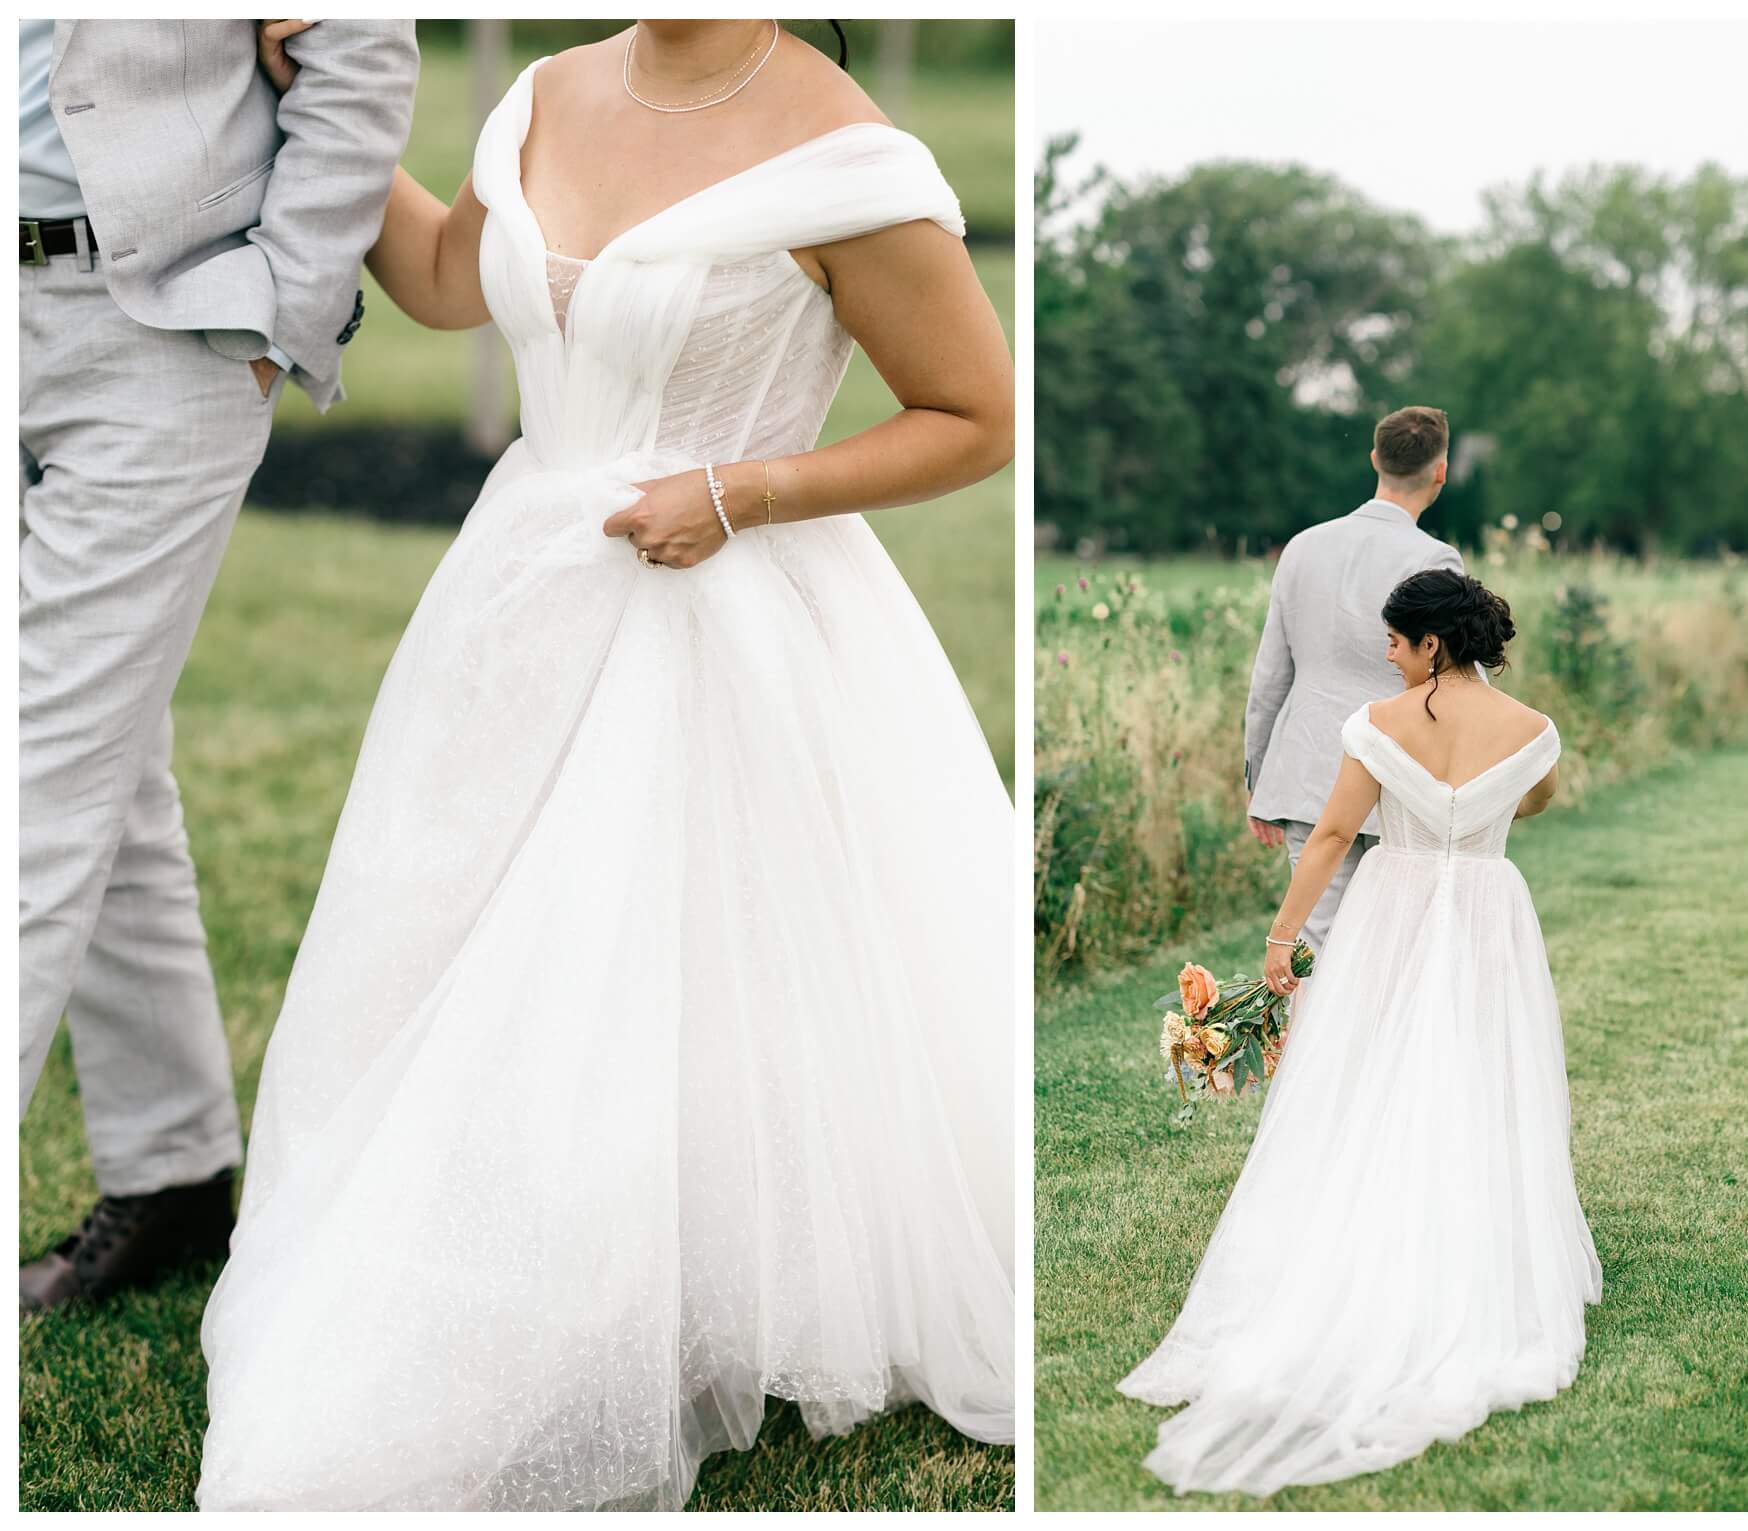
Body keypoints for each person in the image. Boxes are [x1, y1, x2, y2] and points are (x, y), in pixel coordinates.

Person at [194, 19, 1015, 1510]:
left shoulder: (848, 157)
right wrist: (327, 103)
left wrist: (742, 485)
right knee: (464, 937)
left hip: (727, 603)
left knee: (666, 957)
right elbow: (453, 279)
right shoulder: (548, 87)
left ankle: (672, 1281)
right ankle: (494, 1247)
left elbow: (975, 416)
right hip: (516, 596)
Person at [17, 18, 418, 1312]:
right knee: (102, 766)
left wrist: (283, 309)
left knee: (33, 779)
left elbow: (359, 55)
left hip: (158, 331)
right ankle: (179, 1168)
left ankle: (179, 1167)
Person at [1122, 568, 1602, 1496]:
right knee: (1479, 1072)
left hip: (1397, 904)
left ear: (1432, 644)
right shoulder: (1532, 728)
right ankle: (1470, 1242)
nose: (1385, 652)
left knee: (1375, 1072)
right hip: (1489, 907)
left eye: (1394, 638)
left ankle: (1380, 1236)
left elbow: (1336, 835)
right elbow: (1534, 801)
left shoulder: (1380, 727)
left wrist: (1280, 937)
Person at [1242, 405, 1471, 959]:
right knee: (1394, 950)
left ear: (1374, 458)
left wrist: (1258, 778)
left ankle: (1310, 1046)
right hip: (1403, 775)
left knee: (1313, 946)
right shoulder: (1436, 560)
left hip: (1309, 774)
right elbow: (1461, 682)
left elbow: (1271, 674)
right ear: (1440, 471)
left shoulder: (1303, 546)